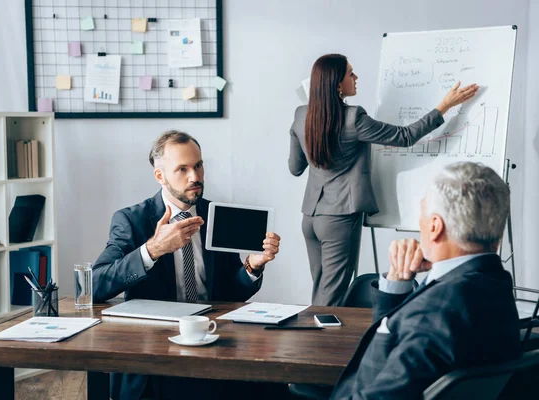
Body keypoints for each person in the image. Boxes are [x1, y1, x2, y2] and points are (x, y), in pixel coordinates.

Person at [92, 130, 282, 400]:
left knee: (272, 384)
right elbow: (94, 285)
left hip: (211, 341)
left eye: (198, 166)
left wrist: (252, 267)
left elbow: (230, 294)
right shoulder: (131, 220)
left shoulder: (216, 214)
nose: (195, 177)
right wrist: (152, 249)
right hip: (155, 353)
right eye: (182, 169)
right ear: (160, 176)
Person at [288, 53, 480, 306]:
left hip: (310, 218)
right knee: (331, 297)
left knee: (321, 289)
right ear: (336, 83)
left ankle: (313, 340)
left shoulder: (302, 115)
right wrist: (444, 106)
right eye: (350, 73)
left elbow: (295, 167)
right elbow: (405, 136)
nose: (356, 78)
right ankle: (317, 344)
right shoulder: (353, 118)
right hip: (339, 217)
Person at [331, 161, 520, 399]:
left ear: (434, 227)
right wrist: (398, 281)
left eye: (422, 214)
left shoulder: (437, 311)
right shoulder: (494, 283)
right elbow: (398, 343)